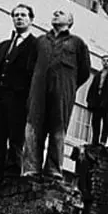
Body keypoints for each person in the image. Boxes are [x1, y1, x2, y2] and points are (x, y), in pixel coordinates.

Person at [23, 10, 91, 181]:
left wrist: (68, 85)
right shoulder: (40, 41)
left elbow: (83, 72)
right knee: (33, 126)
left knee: (57, 128)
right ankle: (32, 168)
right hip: (38, 91)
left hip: (62, 92)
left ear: (70, 20)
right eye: (54, 13)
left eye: (61, 13)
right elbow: (30, 67)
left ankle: (53, 168)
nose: (55, 14)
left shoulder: (77, 43)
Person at [0, 4, 38, 186]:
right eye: (16, 15)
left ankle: (11, 179)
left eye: (23, 15)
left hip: (18, 100)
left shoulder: (35, 45)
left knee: (15, 140)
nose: (19, 18)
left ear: (31, 19)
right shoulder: (3, 46)